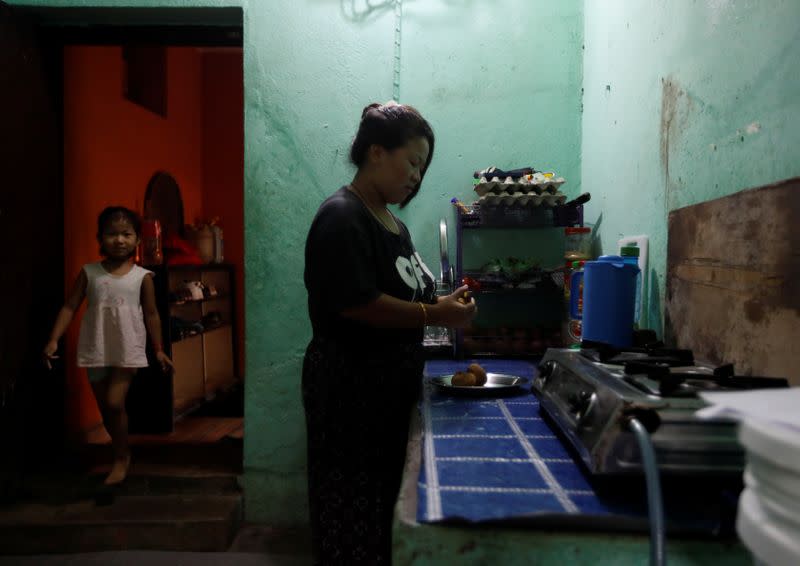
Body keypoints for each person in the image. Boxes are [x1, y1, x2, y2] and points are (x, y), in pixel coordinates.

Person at [302, 101, 477, 565]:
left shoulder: (392, 222)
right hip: (349, 388)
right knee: (351, 508)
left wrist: (446, 304)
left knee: (382, 507)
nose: (417, 177)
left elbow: (411, 291)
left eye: (423, 169)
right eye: (413, 162)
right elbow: (357, 303)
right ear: (376, 152)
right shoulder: (342, 216)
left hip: (386, 389)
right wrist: (435, 315)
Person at [43, 206, 173, 485]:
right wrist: (54, 338)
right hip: (95, 348)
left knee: (115, 402)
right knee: (107, 410)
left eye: (126, 234)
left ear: (138, 239)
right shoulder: (89, 273)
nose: (119, 240)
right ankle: (120, 450)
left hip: (128, 349)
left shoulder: (143, 277)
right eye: (112, 234)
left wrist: (159, 348)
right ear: (100, 238)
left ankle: (121, 457)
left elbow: (152, 314)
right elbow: (70, 306)